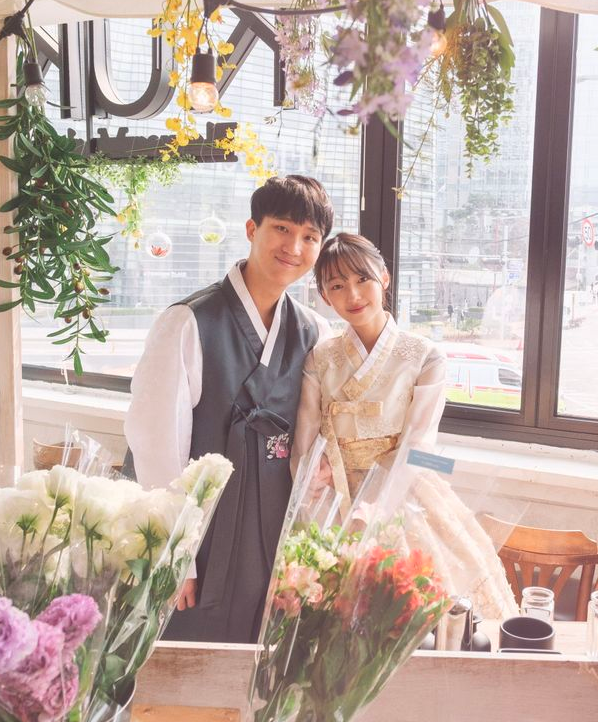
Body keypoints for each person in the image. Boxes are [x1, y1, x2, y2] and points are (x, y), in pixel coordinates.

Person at [124, 175, 334, 644]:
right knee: (190, 656)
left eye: (309, 237)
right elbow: (155, 445)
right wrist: (175, 556)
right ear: (252, 229)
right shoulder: (188, 321)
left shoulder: (313, 331)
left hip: (272, 532)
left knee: (262, 659)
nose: (293, 247)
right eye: (282, 229)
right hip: (202, 531)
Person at [292, 233, 519, 620]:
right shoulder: (320, 358)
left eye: (362, 279)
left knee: (415, 610)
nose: (353, 294)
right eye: (337, 286)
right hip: (333, 495)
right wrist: (310, 476)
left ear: (384, 278)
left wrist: (372, 509)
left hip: (403, 489)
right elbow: (305, 438)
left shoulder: (425, 356)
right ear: (325, 296)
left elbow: (419, 445)